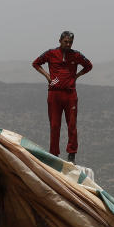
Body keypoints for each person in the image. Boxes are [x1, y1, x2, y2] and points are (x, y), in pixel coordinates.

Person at [32, 31, 93, 162]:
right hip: (54, 93)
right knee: (54, 125)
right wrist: (48, 77)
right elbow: (36, 63)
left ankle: (71, 154)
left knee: (71, 124)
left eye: (70, 42)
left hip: (70, 93)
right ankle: (54, 154)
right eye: (66, 41)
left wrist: (77, 76)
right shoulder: (51, 53)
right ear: (60, 40)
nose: (68, 44)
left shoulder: (76, 55)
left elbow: (89, 66)